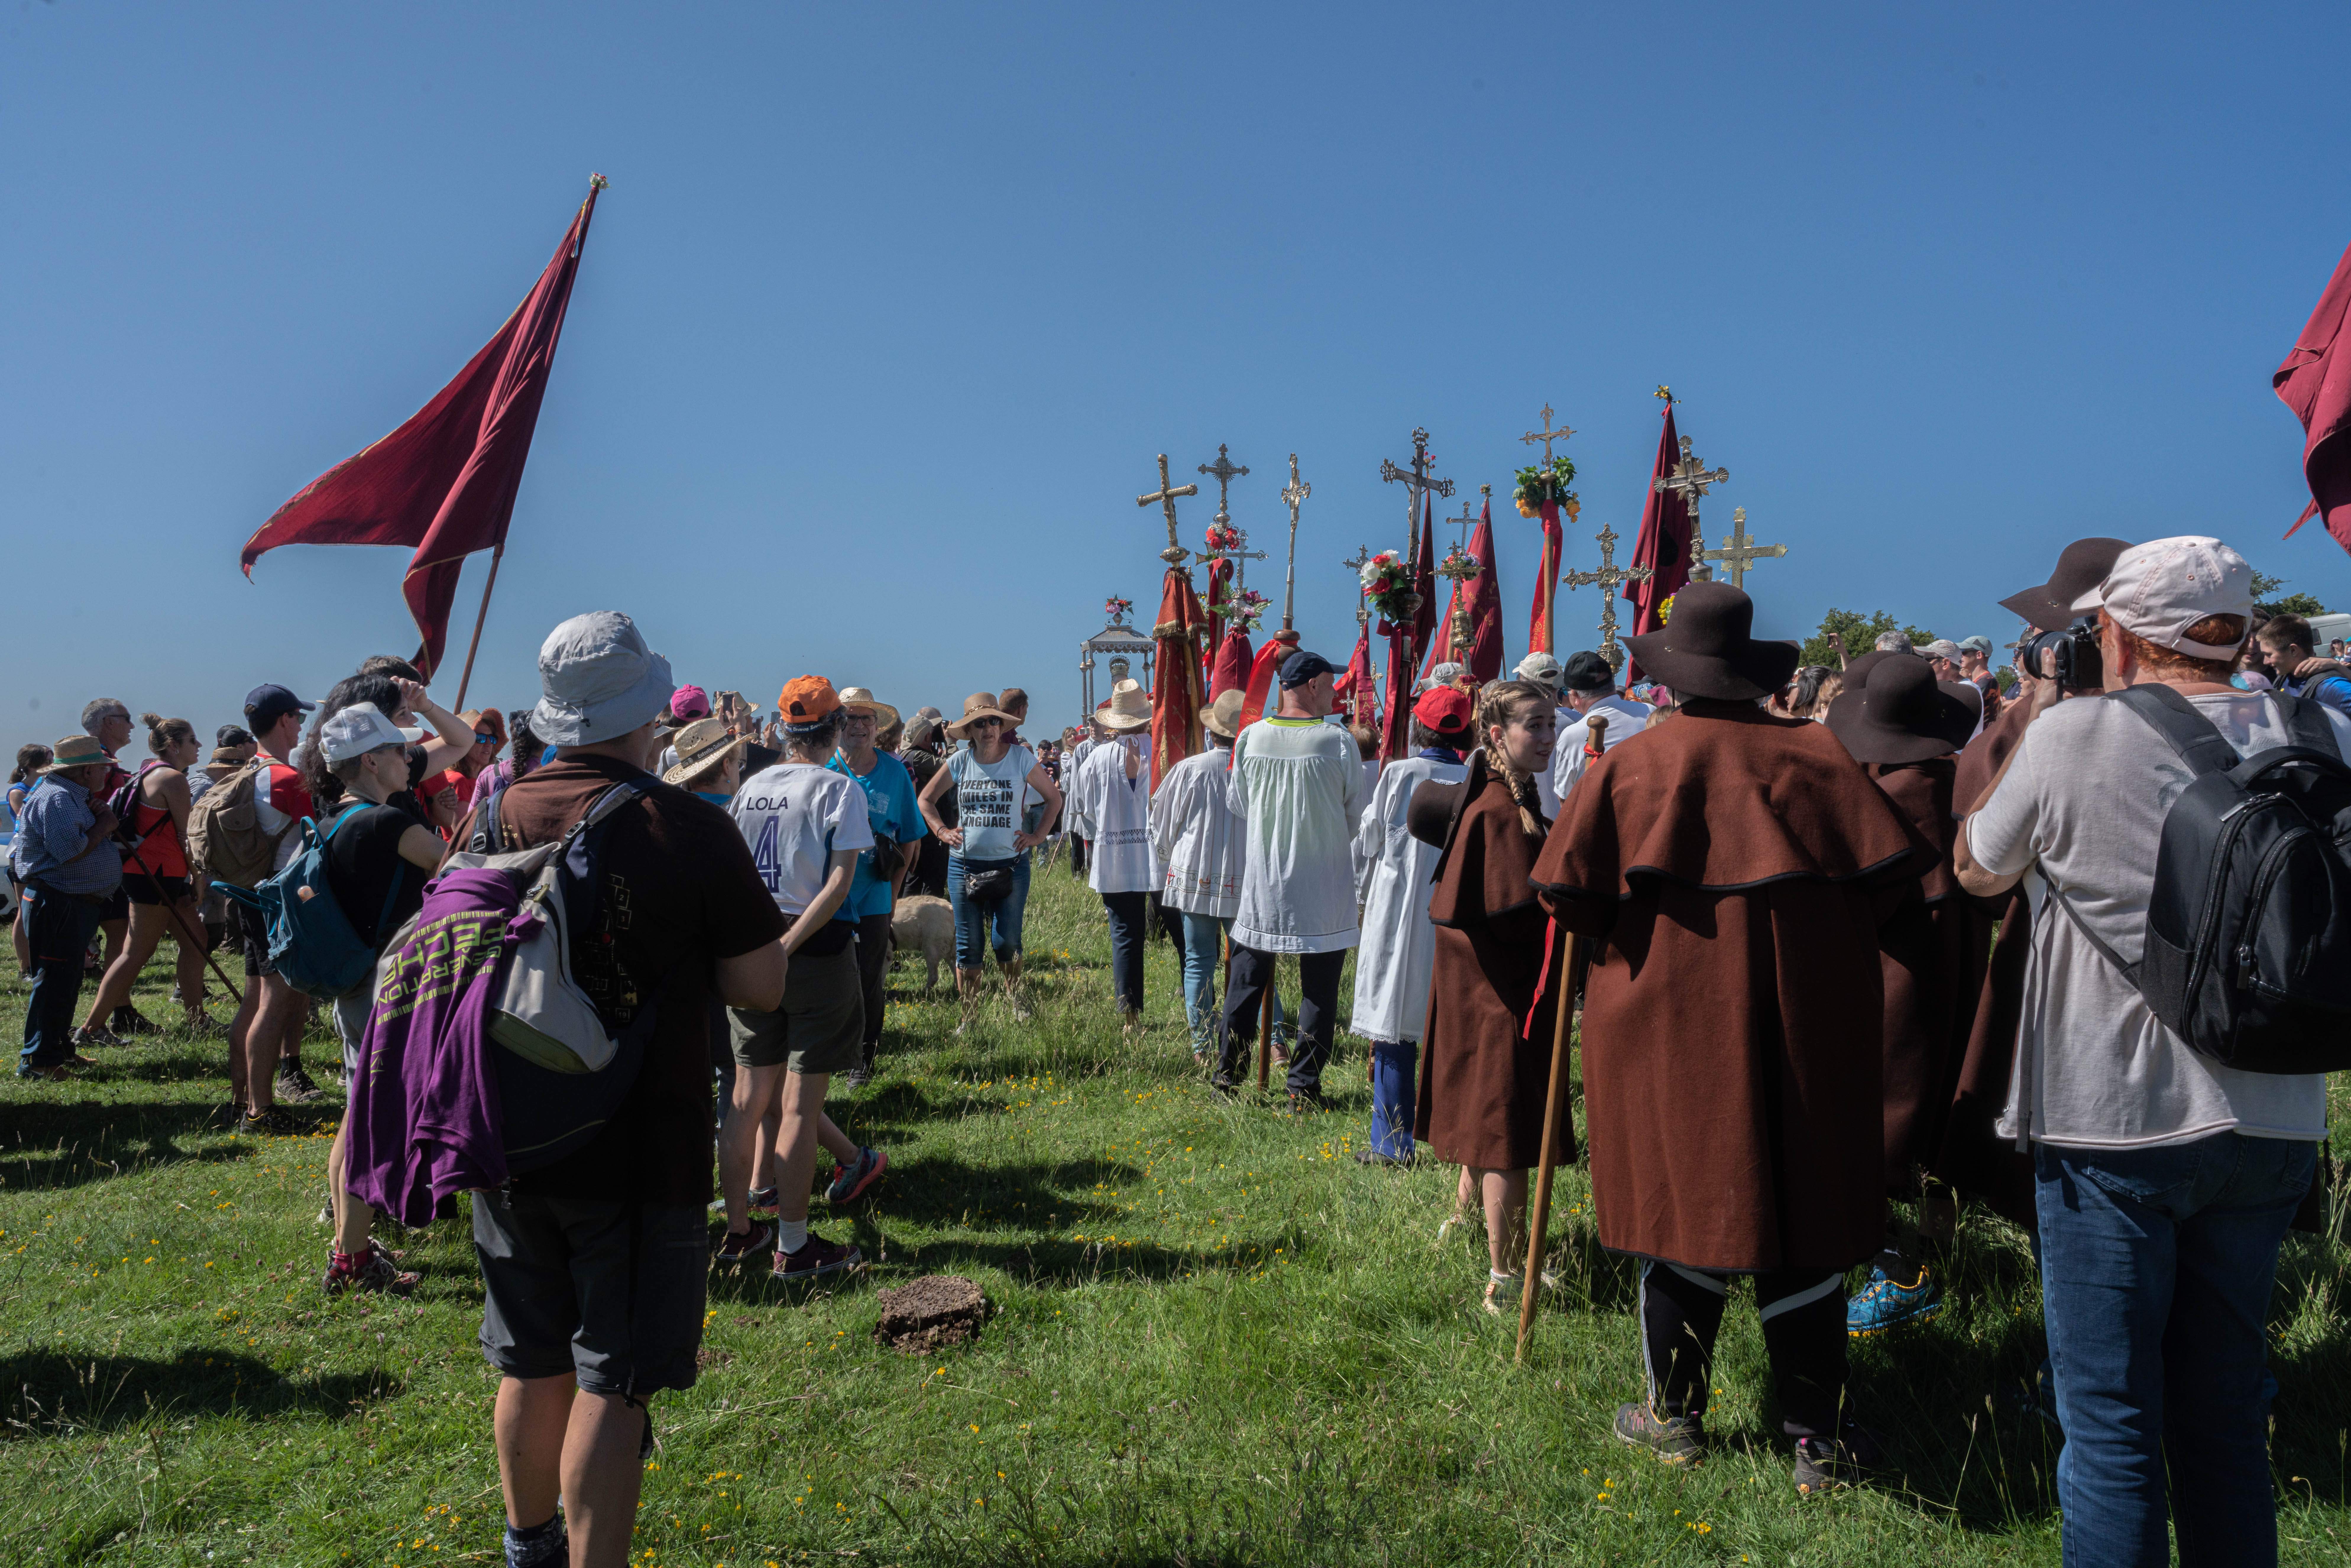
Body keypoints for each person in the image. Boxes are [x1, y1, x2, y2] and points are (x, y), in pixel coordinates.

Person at [1954, 537, 2343, 1567]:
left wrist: (2039, 704)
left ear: (2116, 631)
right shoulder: (2321, 726)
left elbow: (1977, 868)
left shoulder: (2075, 736)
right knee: (2226, 1416)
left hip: (2109, 1112)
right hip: (2276, 1105)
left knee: (2113, 1420)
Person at [1530, 581, 1929, 1491]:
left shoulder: (1629, 766)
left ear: (1669, 672)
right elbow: (1889, 888)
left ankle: (1673, 1420)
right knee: (1804, 1215)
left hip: (1668, 1031)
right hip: (1808, 1026)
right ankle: (1815, 1441)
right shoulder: (1820, 758)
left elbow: (1567, 896)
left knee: (1682, 1209)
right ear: (1751, 672)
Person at [454, 612, 786, 1568]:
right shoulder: (683, 824)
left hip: (508, 1129)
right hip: (641, 1142)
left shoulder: (496, 812)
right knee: (614, 1377)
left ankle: (530, 1550)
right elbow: (760, 985)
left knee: (530, 1356)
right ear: (646, 712)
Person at [1821, 653, 1990, 1335]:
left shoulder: (1900, 793)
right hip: (1954, 960)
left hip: (1904, 971)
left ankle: (1899, 1266)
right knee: (1940, 1101)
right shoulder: (1951, 775)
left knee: (1893, 1109)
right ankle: (1934, 1252)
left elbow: (1873, 892)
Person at [721, 676, 887, 1279]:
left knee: (744, 1100)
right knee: (797, 1105)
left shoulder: (751, 787)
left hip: (749, 946)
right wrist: (789, 946)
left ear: (788, 730)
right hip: (811, 953)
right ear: (833, 728)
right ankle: (793, 1244)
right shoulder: (838, 790)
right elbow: (839, 884)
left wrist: (755, 948)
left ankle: (739, 1232)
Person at [1414, 681, 1564, 1312]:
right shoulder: (1499, 812)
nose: (1548, 737)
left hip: (1483, 989)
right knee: (1504, 1128)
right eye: (1534, 725)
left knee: (1483, 1107)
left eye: (1552, 724)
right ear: (1497, 734)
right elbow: (1516, 914)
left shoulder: (1508, 795)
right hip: (1503, 992)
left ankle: (1461, 1221)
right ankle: (1505, 1275)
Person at [309, 704, 445, 1295]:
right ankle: (354, 1261)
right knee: (376, 1123)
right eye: (397, 751)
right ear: (370, 759)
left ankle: (348, 1246)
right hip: (394, 987)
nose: (407, 761)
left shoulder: (336, 819)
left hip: (357, 984)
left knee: (355, 1118)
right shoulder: (387, 824)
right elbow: (458, 869)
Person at [1217, 649, 1365, 1109]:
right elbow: (1355, 813)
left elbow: (1239, 804)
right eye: (1332, 683)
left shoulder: (1251, 738)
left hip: (1264, 879)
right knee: (1319, 990)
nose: (1337, 692)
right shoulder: (1337, 742)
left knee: (1245, 984)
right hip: (1322, 879)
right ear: (1315, 685)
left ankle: (1228, 1078)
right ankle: (1302, 1086)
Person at [1348, 686, 1471, 1164]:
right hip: (1452, 907)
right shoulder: (1472, 776)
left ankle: (1392, 1141)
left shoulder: (1400, 772)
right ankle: (1449, 1136)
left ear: (1419, 728)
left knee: (1394, 1020)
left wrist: (1360, 893)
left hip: (1399, 909)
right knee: (1443, 1021)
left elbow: (1372, 834)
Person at [917, 692, 1062, 1028]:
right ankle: (968, 1018)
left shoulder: (1020, 759)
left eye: (993, 721)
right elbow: (926, 800)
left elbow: (1054, 798)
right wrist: (940, 831)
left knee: (1006, 939)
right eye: (979, 723)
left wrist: (1038, 836)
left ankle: (1016, 1000)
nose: (988, 729)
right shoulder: (959, 763)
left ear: (1001, 726)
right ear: (969, 731)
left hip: (1011, 865)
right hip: (964, 865)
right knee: (968, 945)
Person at [78, 714, 213, 1043]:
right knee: (136, 953)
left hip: (154, 874)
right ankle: (88, 1030)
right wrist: (198, 877)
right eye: (192, 740)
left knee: (196, 942)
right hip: (157, 876)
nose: (199, 746)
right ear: (173, 745)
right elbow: (188, 835)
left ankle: (197, 1021)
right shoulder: (172, 779)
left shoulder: (147, 772)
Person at [222, 682, 318, 1129]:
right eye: (298, 718)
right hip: (278, 902)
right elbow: (318, 834)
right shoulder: (284, 778)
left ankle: (241, 1099)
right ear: (284, 720)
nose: (301, 726)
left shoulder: (249, 772)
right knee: (276, 1002)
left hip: (250, 896)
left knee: (255, 999)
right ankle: (262, 1110)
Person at [828, 686, 927, 1088]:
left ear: (877, 726)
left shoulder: (894, 771)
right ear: (838, 725)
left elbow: (910, 838)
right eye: (850, 718)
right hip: (825, 898)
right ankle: (830, 1053)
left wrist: (893, 895)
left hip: (873, 895)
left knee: (870, 979)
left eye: (867, 719)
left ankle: (862, 1062)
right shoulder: (825, 769)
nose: (859, 727)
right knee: (831, 977)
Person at [14, 736, 123, 1080]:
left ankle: (57, 1051)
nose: (107, 771)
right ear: (87, 769)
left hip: (69, 902)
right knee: (55, 983)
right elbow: (69, 851)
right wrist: (104, 827)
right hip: (59, 902)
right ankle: (40, 1062)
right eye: (104, 766)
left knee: (67, 981)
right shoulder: (59, 798)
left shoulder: (70, 796)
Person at [1151, 689, 1251, 1062]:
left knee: (1199, 961)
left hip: (1195, 878)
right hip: (1243, 880)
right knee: (1249, 962)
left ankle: (1202, 1046)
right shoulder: (1255, 771)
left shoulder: (1189, 769)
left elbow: (1160, 824)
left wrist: (1165, 861)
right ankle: (1269, 1040)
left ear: (1212, 733)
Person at [1064, 680, 1157, 1028]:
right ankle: (1197, 1011)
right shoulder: (1163, 750)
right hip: (1157, 856)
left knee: (1125, 937)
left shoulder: (1095, 759)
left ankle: (1130, 1017)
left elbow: (1084, 809)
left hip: (1115, 856)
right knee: (1181, 936)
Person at [79, 696, 148, 1036]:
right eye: (126, 718)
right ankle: (110, 1017)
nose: (132, 725)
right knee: (120, 938)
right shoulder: (98, 763)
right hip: (100, 862)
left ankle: (122, 1010)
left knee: (120, 936)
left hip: (98, 860)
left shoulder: (95, 761)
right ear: (108, 722)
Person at [1542, 651, 1651, 815]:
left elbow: (1565, 799)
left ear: (1575, 696)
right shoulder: (1652, 713)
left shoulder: (1573, 735)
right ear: (1612, 683)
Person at [9, 743, 54, 982]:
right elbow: (25, 818)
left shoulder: (45, 786)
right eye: (49, 758)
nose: (53, 761)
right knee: (23, 911)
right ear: (32, 764)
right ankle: (25, 967)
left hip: (40, 855)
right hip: (22, 856)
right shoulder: (18, 791)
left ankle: (39, 962)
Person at [2254, 611, 2351, 718]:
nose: (2265, 662)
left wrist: (2339, 667)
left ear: (2293, 650)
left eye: (2269, 655)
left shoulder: (2330, 687)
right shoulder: (2285, 677)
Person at [896, 715, 950, 899]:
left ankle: (907, 917)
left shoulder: (905, 755)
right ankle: (929, 916)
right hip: (929, 826)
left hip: (917, 824)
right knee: (932, 876)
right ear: (927, 737)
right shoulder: (918, 757)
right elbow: (951, 767)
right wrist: (950, 741)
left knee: (915, 875)